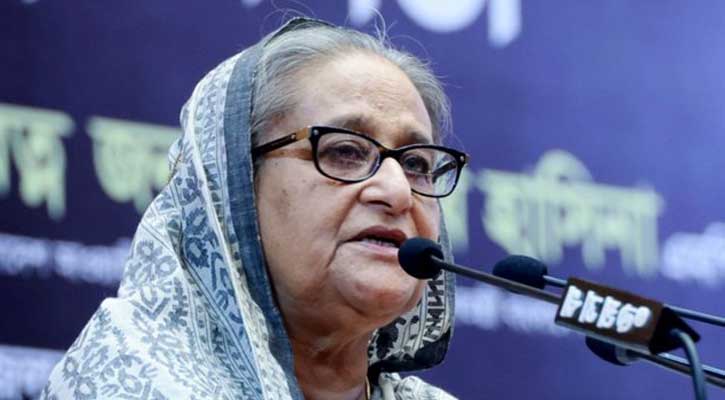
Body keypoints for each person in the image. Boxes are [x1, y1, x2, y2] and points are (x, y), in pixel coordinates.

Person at [42, 17, 468, 400]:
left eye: (417, 164)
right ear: (234, 186)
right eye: (345, 151)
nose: (397, 191)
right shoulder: (130, 376)